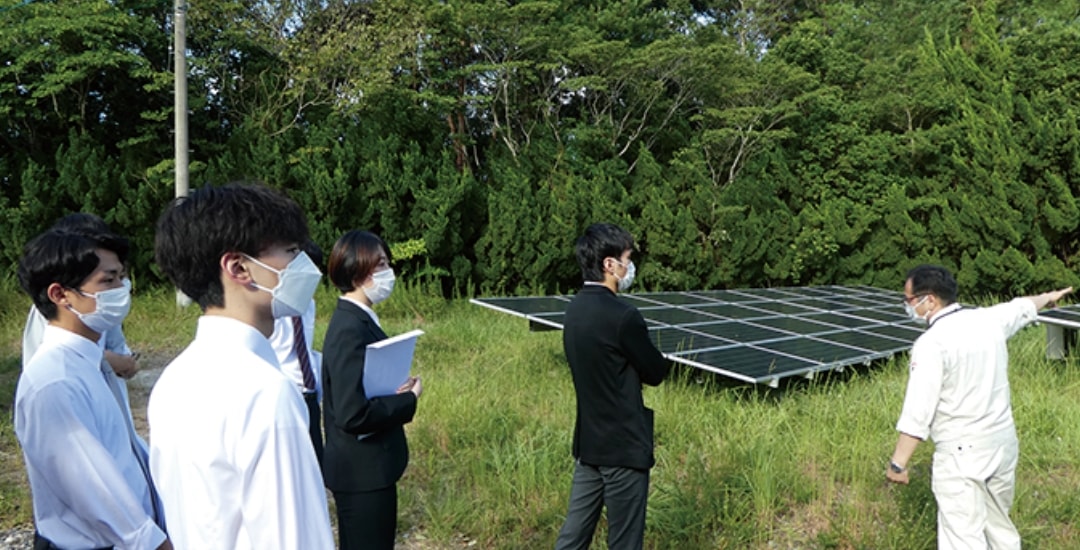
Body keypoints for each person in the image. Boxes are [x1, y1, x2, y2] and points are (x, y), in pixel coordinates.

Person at [149, 182, 334, 549]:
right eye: (292, 252)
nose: (305, 266)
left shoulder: (173, 379)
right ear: (239, 267)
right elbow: (294, 539)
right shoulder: (266, 392)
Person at [886, 264, 1073, 549]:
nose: (908, 307)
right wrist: (1048, 296)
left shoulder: (931, 343)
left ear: (931, 299)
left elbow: (917, 412)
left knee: (962, 537)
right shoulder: (987, 319)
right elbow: (1022, 307)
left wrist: (897, 464)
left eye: (910, 301)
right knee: (1000, 530)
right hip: (1002, 444)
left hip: (962, 454)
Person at [15, 228, 170, 550]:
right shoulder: (55, 381)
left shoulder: (90, 363)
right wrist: (152, 542)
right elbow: (94, 488)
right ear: (60, 294)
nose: (122, 290)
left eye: (122, 278)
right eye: (108, 280)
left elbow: (121, 452)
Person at [555, 223, 671, 550]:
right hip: (623, 449)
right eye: (627, 258)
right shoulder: (623, 316)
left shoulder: (574, 310)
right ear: (609, 265)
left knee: (571, 540)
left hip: (588, 446)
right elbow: (655, 371)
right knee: (624, 542)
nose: (629, 266)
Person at [322, 230, 422, 550]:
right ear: (357, 270)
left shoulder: (359, 318)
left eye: (386, 262)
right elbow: (352, 414)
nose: (387, 271)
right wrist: (407, 399)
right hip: (361, 473)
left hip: (369, 469)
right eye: (379, 264)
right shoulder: (349, 328)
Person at [268, 239, 325, 465]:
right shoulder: (272, 306)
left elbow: (305, 346)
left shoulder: (308, 304)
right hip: (285, 394)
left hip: (309, 393)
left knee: (315, 465)